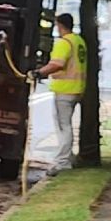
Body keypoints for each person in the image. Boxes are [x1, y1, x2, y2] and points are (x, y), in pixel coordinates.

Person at [37, 12, 88, 172]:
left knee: (63, 126)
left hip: (65, 90)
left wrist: (38, 72)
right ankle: (69, 157)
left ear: (59, 25)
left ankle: (62, 162)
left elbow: (57, 64)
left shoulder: (64, 43)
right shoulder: (79, 41)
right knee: (65, 124)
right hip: (77, 89)